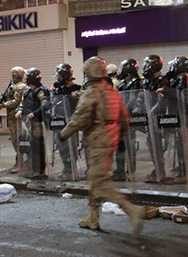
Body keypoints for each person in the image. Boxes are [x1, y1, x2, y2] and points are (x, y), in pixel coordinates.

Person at [58, 57, 145, 234]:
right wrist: (121, 138)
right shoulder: (113, 93)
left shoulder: (91, 93)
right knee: (95, 177)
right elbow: (124, 117)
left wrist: (64, 134)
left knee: (99, 183)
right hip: (111, 138)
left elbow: (80, 117)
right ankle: (93, 218)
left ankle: (131, 210)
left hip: (97, 140)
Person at [15, 68, 49, 179]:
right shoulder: (26, 90)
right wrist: (19, 111)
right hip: (26, 123)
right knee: (27, 146)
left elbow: (45, 105)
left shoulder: (41, 90)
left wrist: (34, 114)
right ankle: (30, 168)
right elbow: (22, 103)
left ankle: (40, 170)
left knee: (38, 146)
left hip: (37, 123)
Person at [112, 58, 142, 181]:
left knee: (130, 145)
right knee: (119, 145)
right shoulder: (123, 83)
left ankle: (131, 170)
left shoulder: (136, 82)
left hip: (130, 117)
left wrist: (124, 112)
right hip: (120, 117)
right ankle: (120, 170)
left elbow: (132, 99)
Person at [141, 54, 169, 183]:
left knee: (158, 145)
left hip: (159, 117)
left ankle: (161, 170)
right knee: (151, 144)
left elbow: (162, 101)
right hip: (148, 116)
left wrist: (151, 113)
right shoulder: (146, 81)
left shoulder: (163, 80)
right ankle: (156, 168)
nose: (145, 67)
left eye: (148, 64)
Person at [0, 67, 25, 173]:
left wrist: (3, 105)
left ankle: (21, 163)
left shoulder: (20, 86)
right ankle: (19, 161)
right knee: (14, 139)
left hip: (16, 117)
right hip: (11, 116)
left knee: (17, 140)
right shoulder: (12, 86)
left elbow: (16, 101)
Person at [51, 63, 81, 179]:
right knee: (60, 146)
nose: (57, 78)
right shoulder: (57, 88)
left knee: (70, 146)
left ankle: (71, 169)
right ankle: (66, 167)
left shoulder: (76, 89)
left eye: (59, 75)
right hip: (58, 121)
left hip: (70, 121)